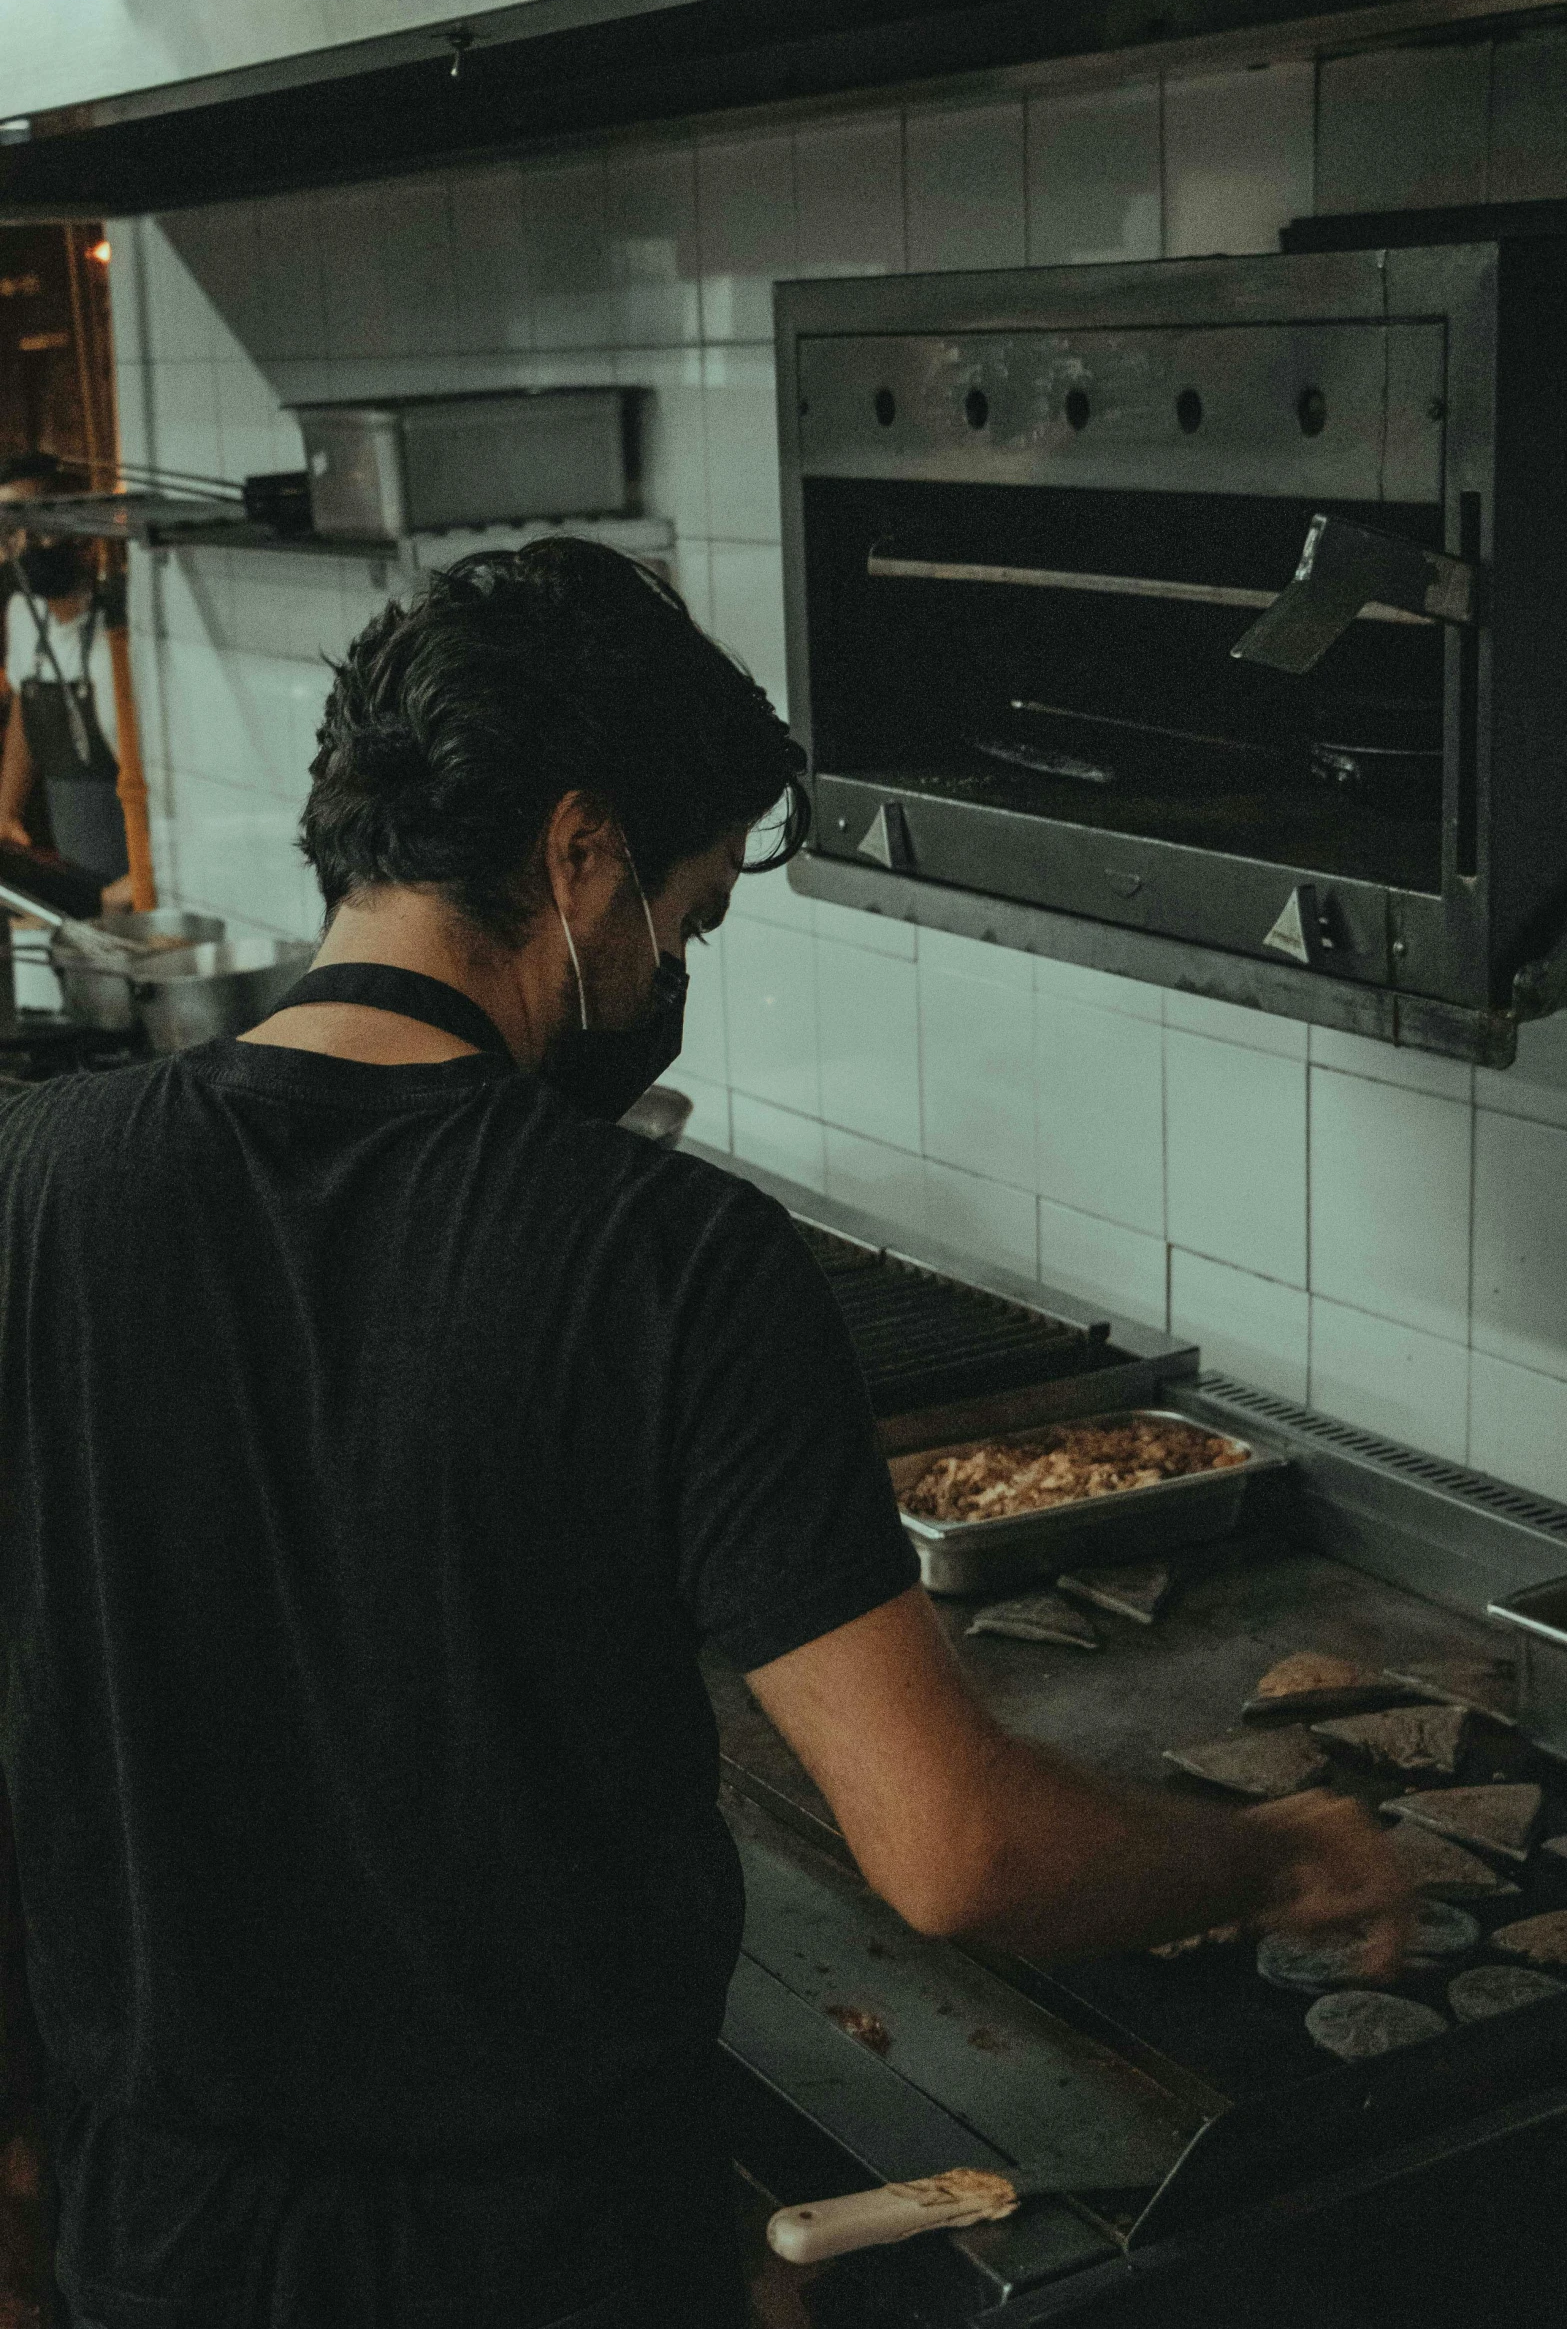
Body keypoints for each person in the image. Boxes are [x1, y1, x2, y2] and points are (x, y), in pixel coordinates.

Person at [0, 539, 1410, 2329]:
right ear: (579, 853)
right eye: (693, 914)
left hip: (167, 2247)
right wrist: (1270, 1851)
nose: (679, 970)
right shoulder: (663, 1258)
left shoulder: (39, 1186)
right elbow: (953, 1848)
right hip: (552, 2264)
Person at [0, 450, 133, 910]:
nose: (28, 542)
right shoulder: (23, 615)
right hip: (73, 851)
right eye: (13, 530)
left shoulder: (119, 634)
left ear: (84, 535)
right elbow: (25, 709)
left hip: (132, 860)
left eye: (40, 525)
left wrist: (141, 879)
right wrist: (7, 808)